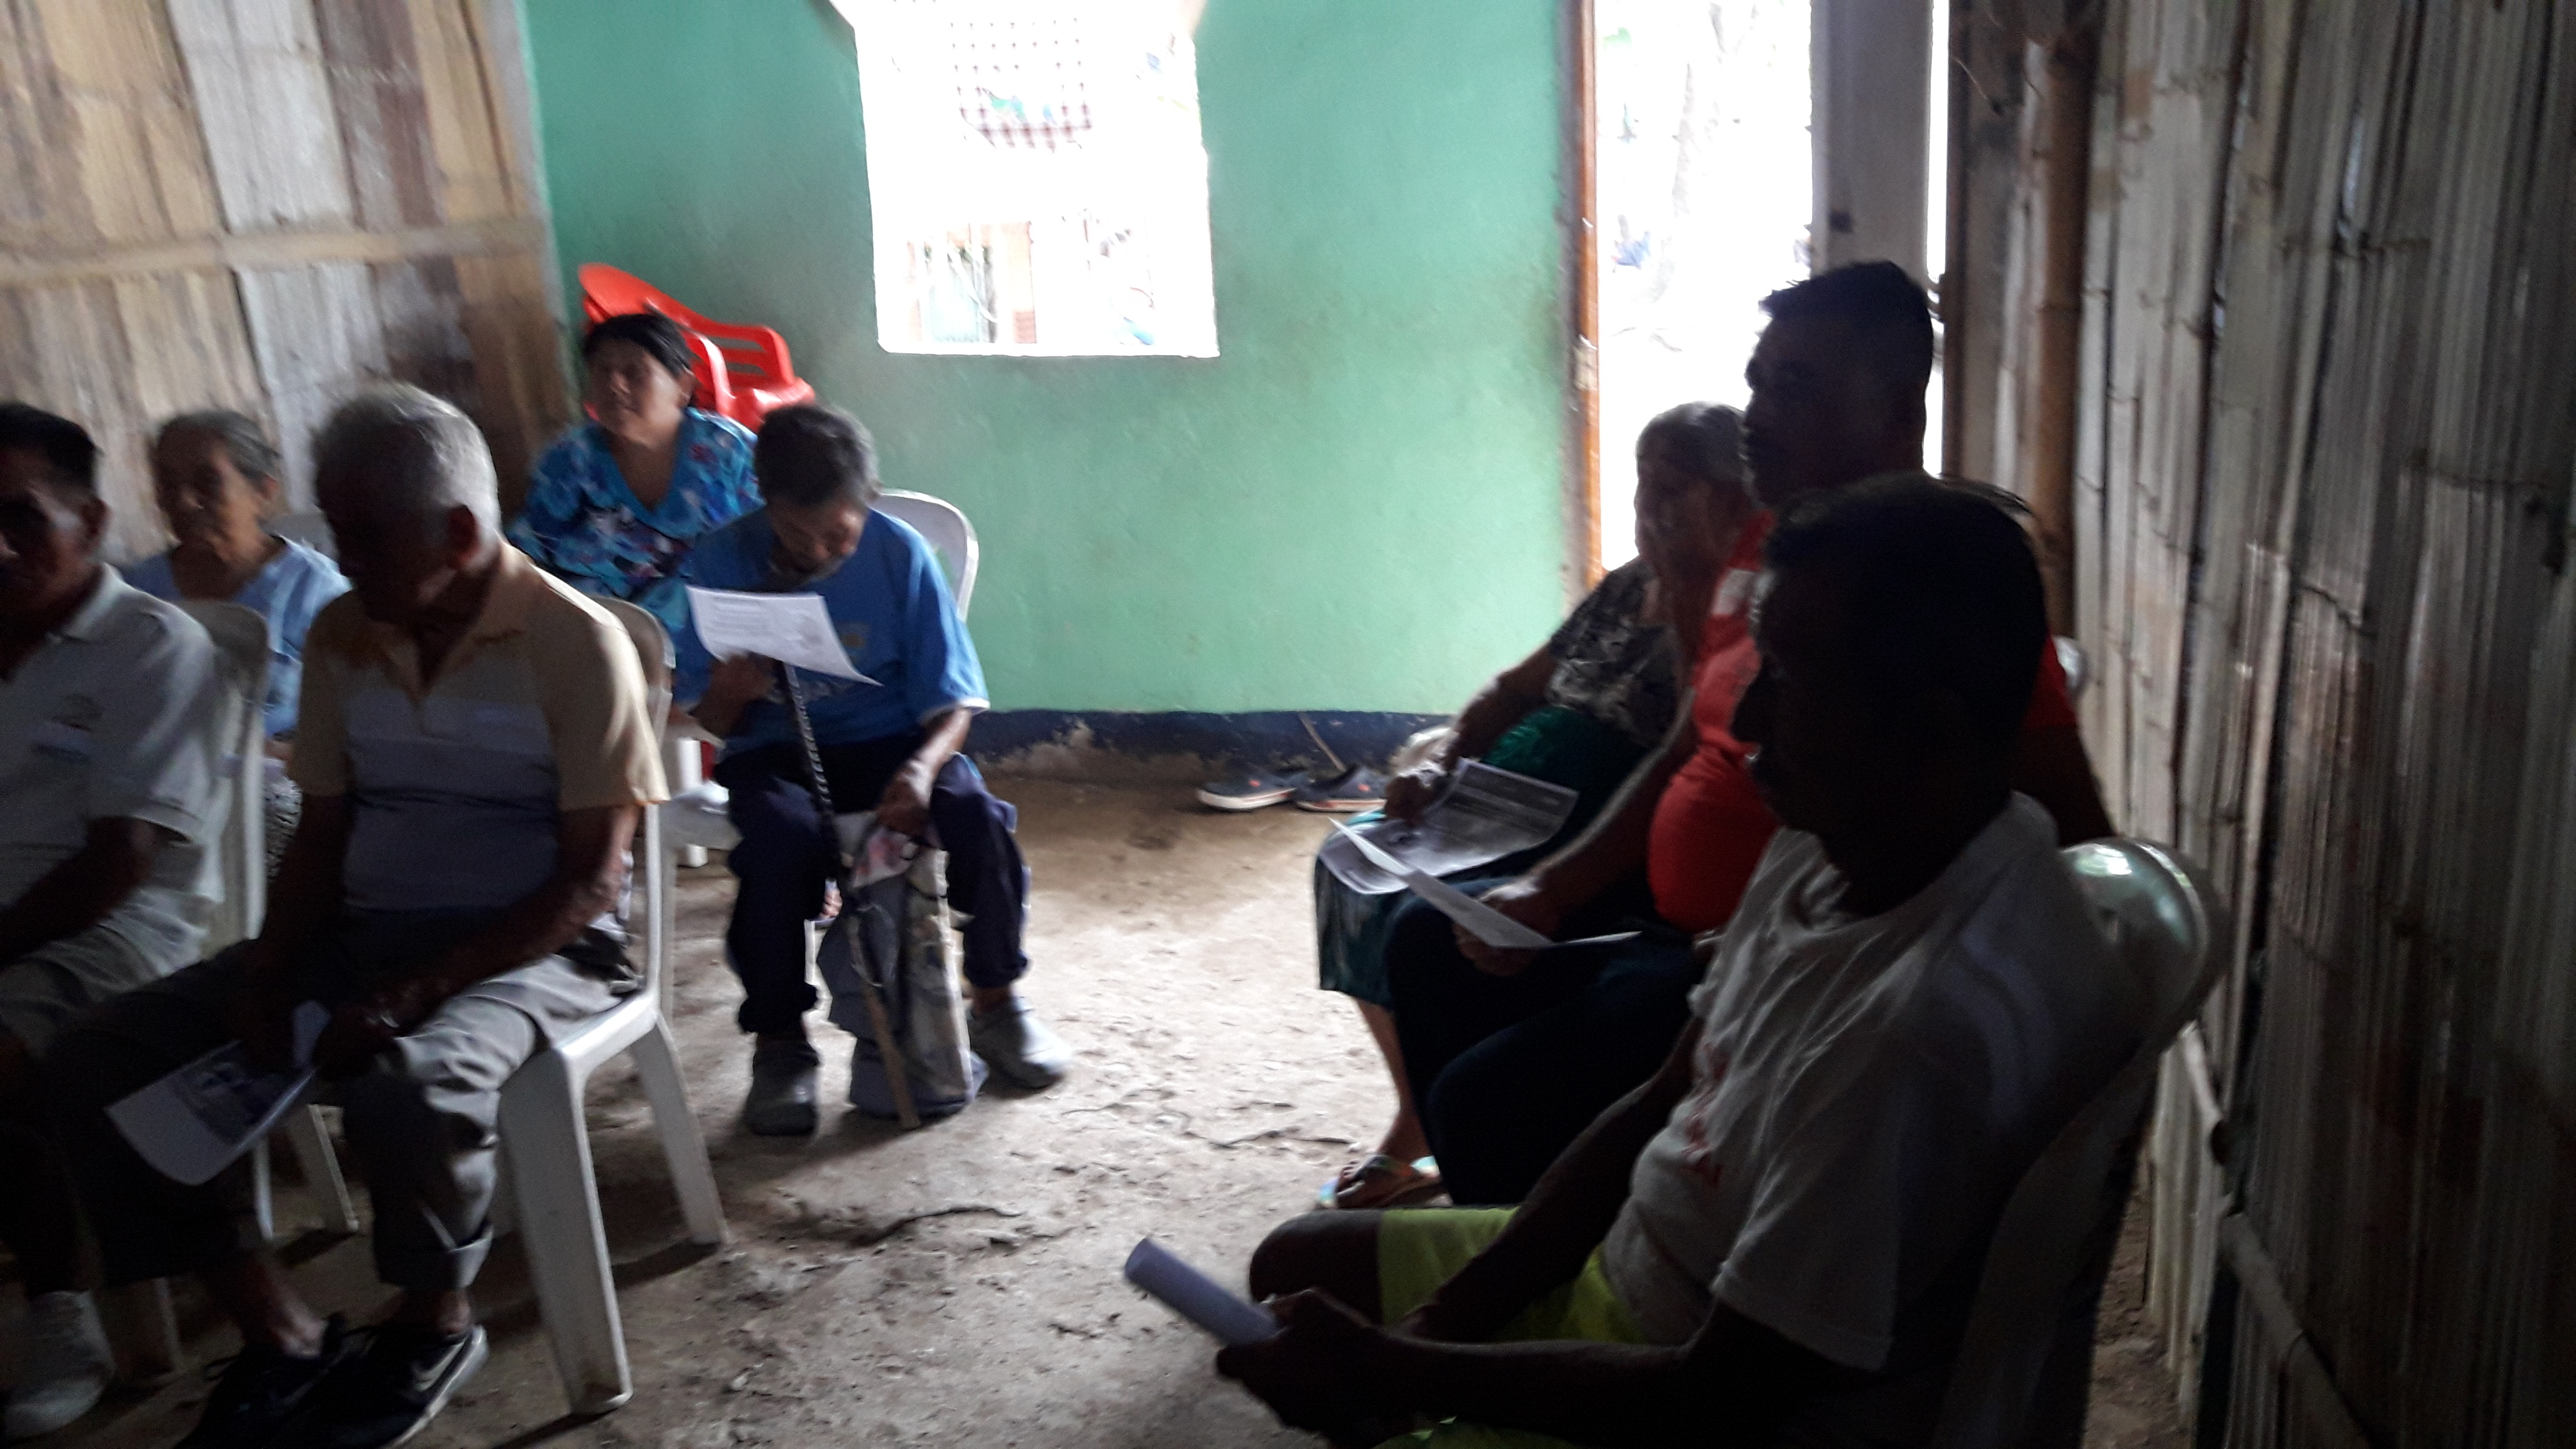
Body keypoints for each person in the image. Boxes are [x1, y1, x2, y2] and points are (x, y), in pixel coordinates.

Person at [1219, 478, 2144, 1449]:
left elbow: (1713, 1398)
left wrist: (1399, 1368)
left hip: (1692, 1381)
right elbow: (1663, 1098)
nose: (1746, 718)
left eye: (1795, 682)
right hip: (1650, 1273)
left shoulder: (1917, 1031)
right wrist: (1443, 1324)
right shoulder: (1848, 837)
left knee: (1345, 1355)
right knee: (1297, 1263)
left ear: (1934, 729)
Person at [1388, 261, 2115, 1206]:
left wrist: (1819, 942)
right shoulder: (1767, 542)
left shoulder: (1939, 582)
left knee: (1490, 1101)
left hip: (1781, 959)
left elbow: (2070, 837)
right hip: (1667, 925)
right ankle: (1523, 1221)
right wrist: (1554, 886)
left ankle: (1580, 1253)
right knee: (1428, 946)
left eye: (1797, 387)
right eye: (1758, 382)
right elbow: (1688, 744)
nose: (1758, 416)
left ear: (1899, 415)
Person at [46, 385, 666, 1449]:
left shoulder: (575, 642)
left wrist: (416, 991)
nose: (342, 557)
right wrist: (269, 968)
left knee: (411, 1082)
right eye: (337, 529)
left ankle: (434, 1320)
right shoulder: (345, 633)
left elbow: (589, 885)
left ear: (459, 535)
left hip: (538, 947)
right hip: (367, 931)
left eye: (366, 536)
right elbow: (323, 834)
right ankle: (278, 1330)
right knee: (100, 1059)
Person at [1312, 403, 1751, 1211]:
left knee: (1425, 925)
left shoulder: (1730, 604)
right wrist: (1444, 757)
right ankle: (1418, 1110)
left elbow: (1685, 750)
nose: (1648, 507)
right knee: (1350, 868)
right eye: (1642, 483)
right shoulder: (1625, 588)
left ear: (1729, 500)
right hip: (1497, 802)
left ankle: (1442, 1136)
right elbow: (1514, 688)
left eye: (1673, 487)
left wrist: (1695, 583)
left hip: (1587, 823)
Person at [676, 403, 1065, 1135]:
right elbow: (715, 722)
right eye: (795, 534)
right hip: (777, 753)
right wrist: (731, 691)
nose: (815, 552)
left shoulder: (900, 555)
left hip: (895, 743)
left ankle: (996, 1001)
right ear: (766, 504)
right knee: (776, 846)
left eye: (837, 535)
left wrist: (919, 773)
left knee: (978, 819)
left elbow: (954, 702)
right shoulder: (722, 560)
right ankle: (781, 1043)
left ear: (870, 498)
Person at [0, 402, 224, 1437]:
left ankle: (64, 1309)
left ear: (89, 521)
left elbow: (116, 865)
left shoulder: (149, 644)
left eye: (21, 518)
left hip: (114, 930)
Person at [125, 410, 351, 869]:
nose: (183, 502)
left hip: (270, 794)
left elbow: (355, 729)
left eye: (207, 483)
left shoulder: (316, 592)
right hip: (156, 792)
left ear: (263, 490)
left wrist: (268, 755)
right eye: (168, 483)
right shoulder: (135, 594)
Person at [509, 311, 761, 636]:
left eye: (634, 372)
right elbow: (528, 549)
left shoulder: (730, 452)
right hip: (599, 630)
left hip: (711, 628)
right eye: (602, 372)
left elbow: (774, 543)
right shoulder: (571, 460)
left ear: (683, 387)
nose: (614, 385)